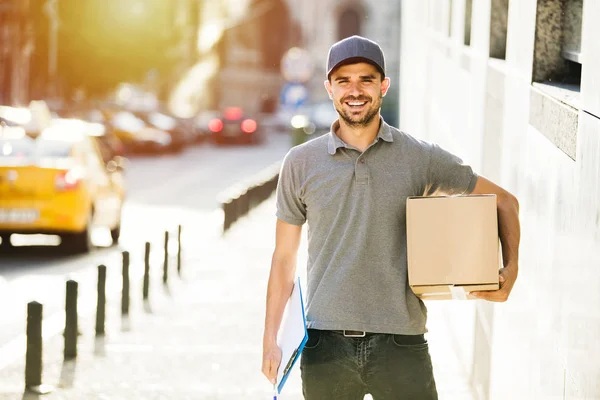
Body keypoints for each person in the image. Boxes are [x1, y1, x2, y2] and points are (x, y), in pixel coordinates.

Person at [262, 35, 520, 399]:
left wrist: (510, 270)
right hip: (324, 347)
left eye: (366, 79)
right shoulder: (300, 163)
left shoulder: (419, 157)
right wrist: (270, 341)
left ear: (383, 85)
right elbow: (283, 259)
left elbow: (505, 202)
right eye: (343, 80)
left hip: (402, 343)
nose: (355, 90)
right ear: (329, 88)